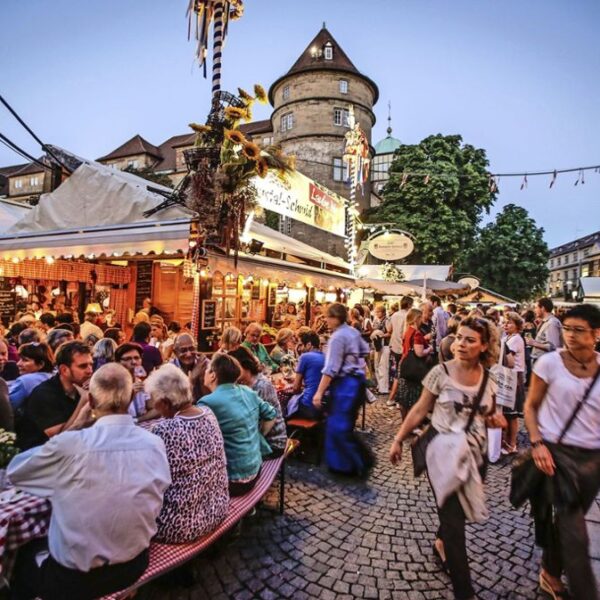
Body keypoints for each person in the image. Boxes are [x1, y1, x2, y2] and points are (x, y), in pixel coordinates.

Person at [9, 363, 171, 600]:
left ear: (91, 402)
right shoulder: (154, 443)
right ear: (131, 397)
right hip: (134, 563)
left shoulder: (70, 446)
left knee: (22, 558)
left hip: (76, 579)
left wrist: (75, 426)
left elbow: (17, 472)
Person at [389, 317, 502, 600]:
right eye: (459, 338)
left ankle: (440, 541)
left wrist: (494, 418)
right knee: (454, 523)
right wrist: (398, 439)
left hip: (475, 454)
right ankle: (465, 591)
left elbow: (489, 412)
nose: (461, 344)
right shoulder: (440, 372)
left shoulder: (490, 378)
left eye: (470, 340)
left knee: (458, 514)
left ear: (484, 346)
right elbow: (419, 409)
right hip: (442, 454)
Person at [523, 304, 600, 600]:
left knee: (570, 520)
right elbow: (530, 406)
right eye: (567, 328)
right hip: (558, 456)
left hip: (593, 459)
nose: (569, 335)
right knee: (575, 530)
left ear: (596, 334)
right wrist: (537, 442)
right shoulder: (550, 364)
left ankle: (550, 572)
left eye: (578, 330)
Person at [145, 364, 229, 544]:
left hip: (181, 525)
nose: (154, 407)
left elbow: (147, 480)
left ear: (166, 402)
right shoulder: (208, 413)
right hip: (217, 507)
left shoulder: (164, 430)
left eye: (155, 401)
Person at [199, 353, 276, 495]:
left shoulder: (207, 402)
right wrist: (257, 434)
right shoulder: (248, 391)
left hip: (233, 480)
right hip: (255, 470)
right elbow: (272, 415)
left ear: (213, 375)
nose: (204, 372)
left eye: (207, 369)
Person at [312, 303, 372, 477]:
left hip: (346, 385)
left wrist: (319, 392)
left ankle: (358, 461)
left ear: (334, 317)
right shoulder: (352, 331)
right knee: (343, 425)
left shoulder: (337, 337)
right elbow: (365, 351)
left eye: (327, 317)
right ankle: (346, 464)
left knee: (338, 426)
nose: (326, 321)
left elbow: (331, 368)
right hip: (357, 381)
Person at [17, 341, 94, 451]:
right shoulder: (44, 394)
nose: (89, 371)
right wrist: (84, 401)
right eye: (83, 366)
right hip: (41, 457)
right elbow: (60, 439)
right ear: (64, 370)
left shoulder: (82, 389)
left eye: (91, 364)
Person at [229, 346, 288, 458]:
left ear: (245, 365)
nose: (233, 371)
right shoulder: (243, 384)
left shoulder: (261, 385)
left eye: (235, 367)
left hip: (273, 444)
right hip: (261, 440)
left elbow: (261, 423)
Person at [396, 308, 433, 417]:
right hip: (414, 367)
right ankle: (411, 422)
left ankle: (405, 421)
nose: (422, 320)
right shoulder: (416, 333)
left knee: (404, 397)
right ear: (416, 319)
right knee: (412, 397)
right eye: (420, 317)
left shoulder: (407, 331)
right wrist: (429, 349)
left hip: (404, 364)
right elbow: (419, 353)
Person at [500, 312, 526, 455]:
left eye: (509, 323)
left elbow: (507, 359)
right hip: (508, 376)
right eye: (504, 322)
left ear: (517, 326)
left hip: (514, 377)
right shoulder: (508, 337)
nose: (505, 325)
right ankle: (507, 441)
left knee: (512, 414)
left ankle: (512, 444)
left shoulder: (516, 339)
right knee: (508, 413)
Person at [115, 343, 156, 422]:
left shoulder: (142, 381)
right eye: (127, 359)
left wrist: (138, 420)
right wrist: (130, 394)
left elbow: (155, 409)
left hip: (141, 425)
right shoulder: (113, 384)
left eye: (137, 358)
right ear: (118, 362)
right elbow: (113, 415)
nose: (134, 362)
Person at [9, 342, 54, 411]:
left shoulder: (25, 381)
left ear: (41, 364)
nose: (18, 364)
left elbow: (6, 407)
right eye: (19, 359)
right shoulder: (54, 376)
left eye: (25, 360)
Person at [290, 330, 325, 419]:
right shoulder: (324, 356)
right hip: (323, 406)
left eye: (301, 345)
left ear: (309, 345)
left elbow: (295, 388)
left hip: (309, 407)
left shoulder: (305, 357)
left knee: (285, 406)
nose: (300, 348)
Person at [171, 333, 211, 400]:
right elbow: (177, 401)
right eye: (183, 350)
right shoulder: (170, 370)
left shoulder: (206, 364)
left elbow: (210, 398)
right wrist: (193, 377)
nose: (189, 354)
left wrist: (201, 378)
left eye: (192, 349)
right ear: (175, 352)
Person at [526, 297, 562, 364]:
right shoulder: (546, 322)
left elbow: (553, 347)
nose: (534, 310)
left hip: (545, 362)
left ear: (542, 308)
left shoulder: (551, 323)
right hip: (541, 361)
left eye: (536, 307)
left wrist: (534, 343)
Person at [371, 304, 391, 396]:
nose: (376, 313)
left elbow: (390, 332)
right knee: (377, 366)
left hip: (385, 346)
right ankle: (379, 386)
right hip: (377, 346)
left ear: (382, 312)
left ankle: (384, 388)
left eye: (378, 311)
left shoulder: (387, 320)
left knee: (383, 367)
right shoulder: (375, 321)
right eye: (376, 311)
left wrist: (381, 335)